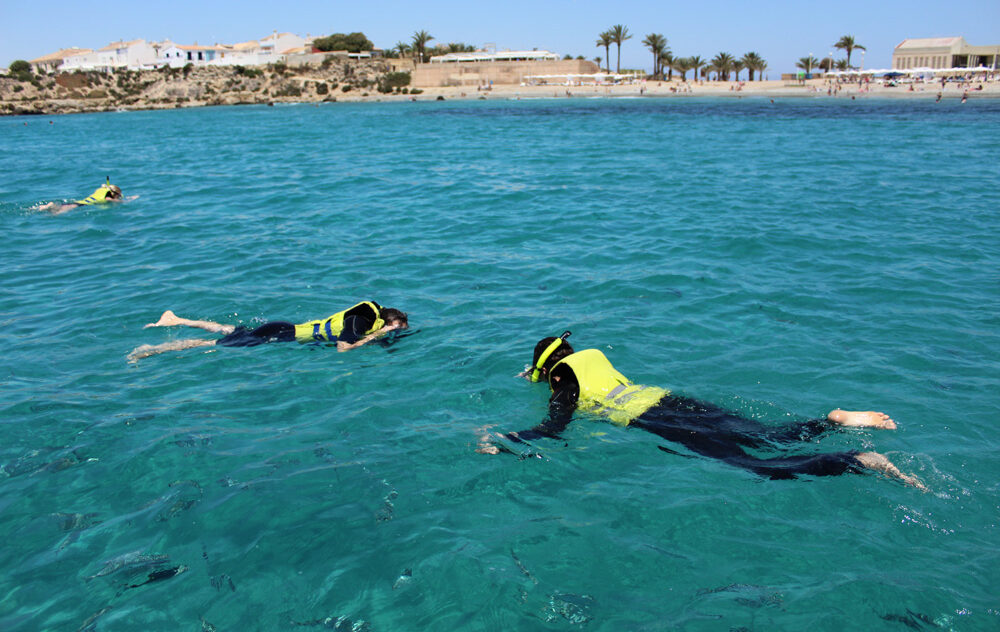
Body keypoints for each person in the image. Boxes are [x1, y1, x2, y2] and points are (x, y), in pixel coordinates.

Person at [478, 334, 925, 490]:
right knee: (772, 434)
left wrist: (506, 439)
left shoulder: (564, 385)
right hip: (673, 400)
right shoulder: (592, 362)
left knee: (751, 465)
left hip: (658, 421)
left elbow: (554, 429)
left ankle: (854, 461)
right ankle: (831, 421)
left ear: (550, 374)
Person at [128, 300, 408, 361]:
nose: (392, 334)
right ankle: (150, 351)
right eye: (394, 329)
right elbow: (343, 348)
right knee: (214, 344)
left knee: (233, 330)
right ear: (385, 322)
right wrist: (372, 339)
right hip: (281, 333)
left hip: (282, 329)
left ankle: (176, 318)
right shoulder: (361, 322)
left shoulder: (366, 319)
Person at [34, 178, 134, 215]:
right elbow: (115, 201)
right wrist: (128, 200)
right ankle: (50, 207)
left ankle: (48, 207)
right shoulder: (108, 198)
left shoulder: (102, 190)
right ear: (114, 194)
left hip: (80, 202)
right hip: (81, 205)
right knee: (58, 213)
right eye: (118, 196)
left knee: (59, 208)